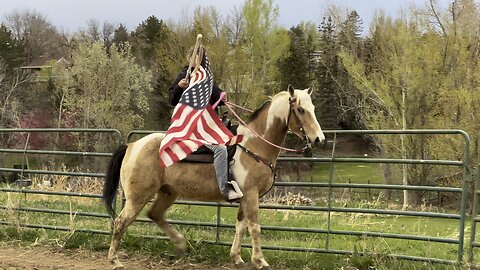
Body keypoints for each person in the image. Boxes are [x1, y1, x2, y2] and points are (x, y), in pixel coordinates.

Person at [168, 47, 243, 201]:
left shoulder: (206, 79)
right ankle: (225, 189)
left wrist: (223, 96)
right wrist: (179, 88)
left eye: (200, 58)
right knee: (221, 149)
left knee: (234, 138)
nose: (197, 61)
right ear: (190, 59)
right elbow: (172, 100)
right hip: (192, 128)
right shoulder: (184, 77)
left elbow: (218, 95)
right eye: (195, 57)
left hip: (207, 125)